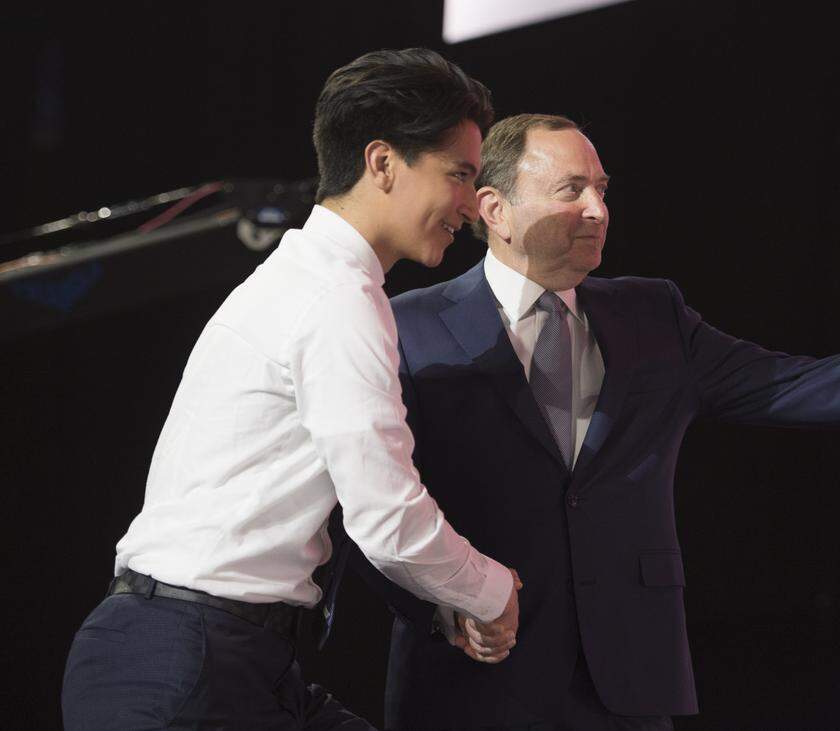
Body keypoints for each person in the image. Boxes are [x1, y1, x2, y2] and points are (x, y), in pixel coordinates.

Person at [331, 114, 840, 730]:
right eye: (571, 190)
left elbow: (798, 385)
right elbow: (367, 498)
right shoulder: (406, 326)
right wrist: (437, 606)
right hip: (471, 686)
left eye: (602, 189)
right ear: (494, 208)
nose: (598, 210)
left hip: (624, 684)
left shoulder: (652, 314)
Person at [60, 49, 523, 730]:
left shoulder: (304, 280)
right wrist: (492, 589)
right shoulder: (337, 299)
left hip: (212, 654)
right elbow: (387, 518)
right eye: (458, 175)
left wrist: (445, 594)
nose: (469, 206)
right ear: (382, 163)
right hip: (187, 662)